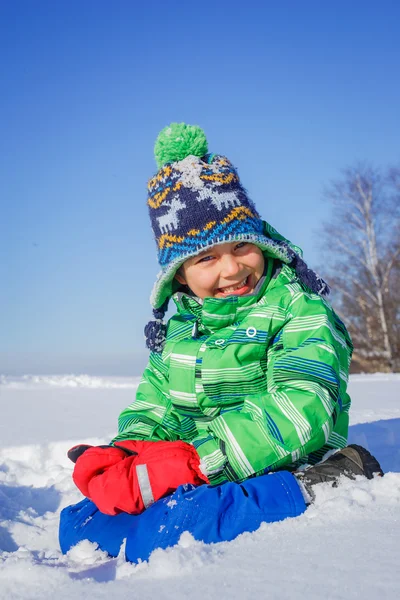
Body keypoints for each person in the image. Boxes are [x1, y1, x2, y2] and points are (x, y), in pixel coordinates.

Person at [60, 123, 382, 562]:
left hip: (279, 462)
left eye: (242, 246)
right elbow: (157, 408)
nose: (231, 269)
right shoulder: (179, 333)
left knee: (177, 526)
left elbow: (303, 404)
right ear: (179, 274)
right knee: (80, 524)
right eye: (207, 258)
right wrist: (128, 454)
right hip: (198, 469)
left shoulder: (299, 310)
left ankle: (329, 478)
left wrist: (198, 461)